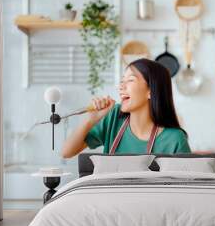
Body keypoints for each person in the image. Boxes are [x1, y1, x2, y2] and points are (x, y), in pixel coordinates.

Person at [61, 58, 191, 158]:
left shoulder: (175, 140)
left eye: (130, 80)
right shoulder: (113, 117)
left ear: (151, 91)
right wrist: (90, 120)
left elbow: (186, 189)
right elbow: (66, 152)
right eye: (122, 81)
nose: (121, 86)